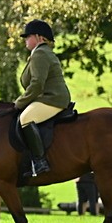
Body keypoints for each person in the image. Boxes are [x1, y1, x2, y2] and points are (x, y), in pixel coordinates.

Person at [14, 19, 71, 177]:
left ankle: (39, 162)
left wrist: (19, 103)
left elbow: (37, 84)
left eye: (28, 36)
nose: (25, 40)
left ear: (39, 37)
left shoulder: (40, 54)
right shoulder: (39, 53)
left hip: (52, 98)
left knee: (25, 118)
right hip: (46, 98)